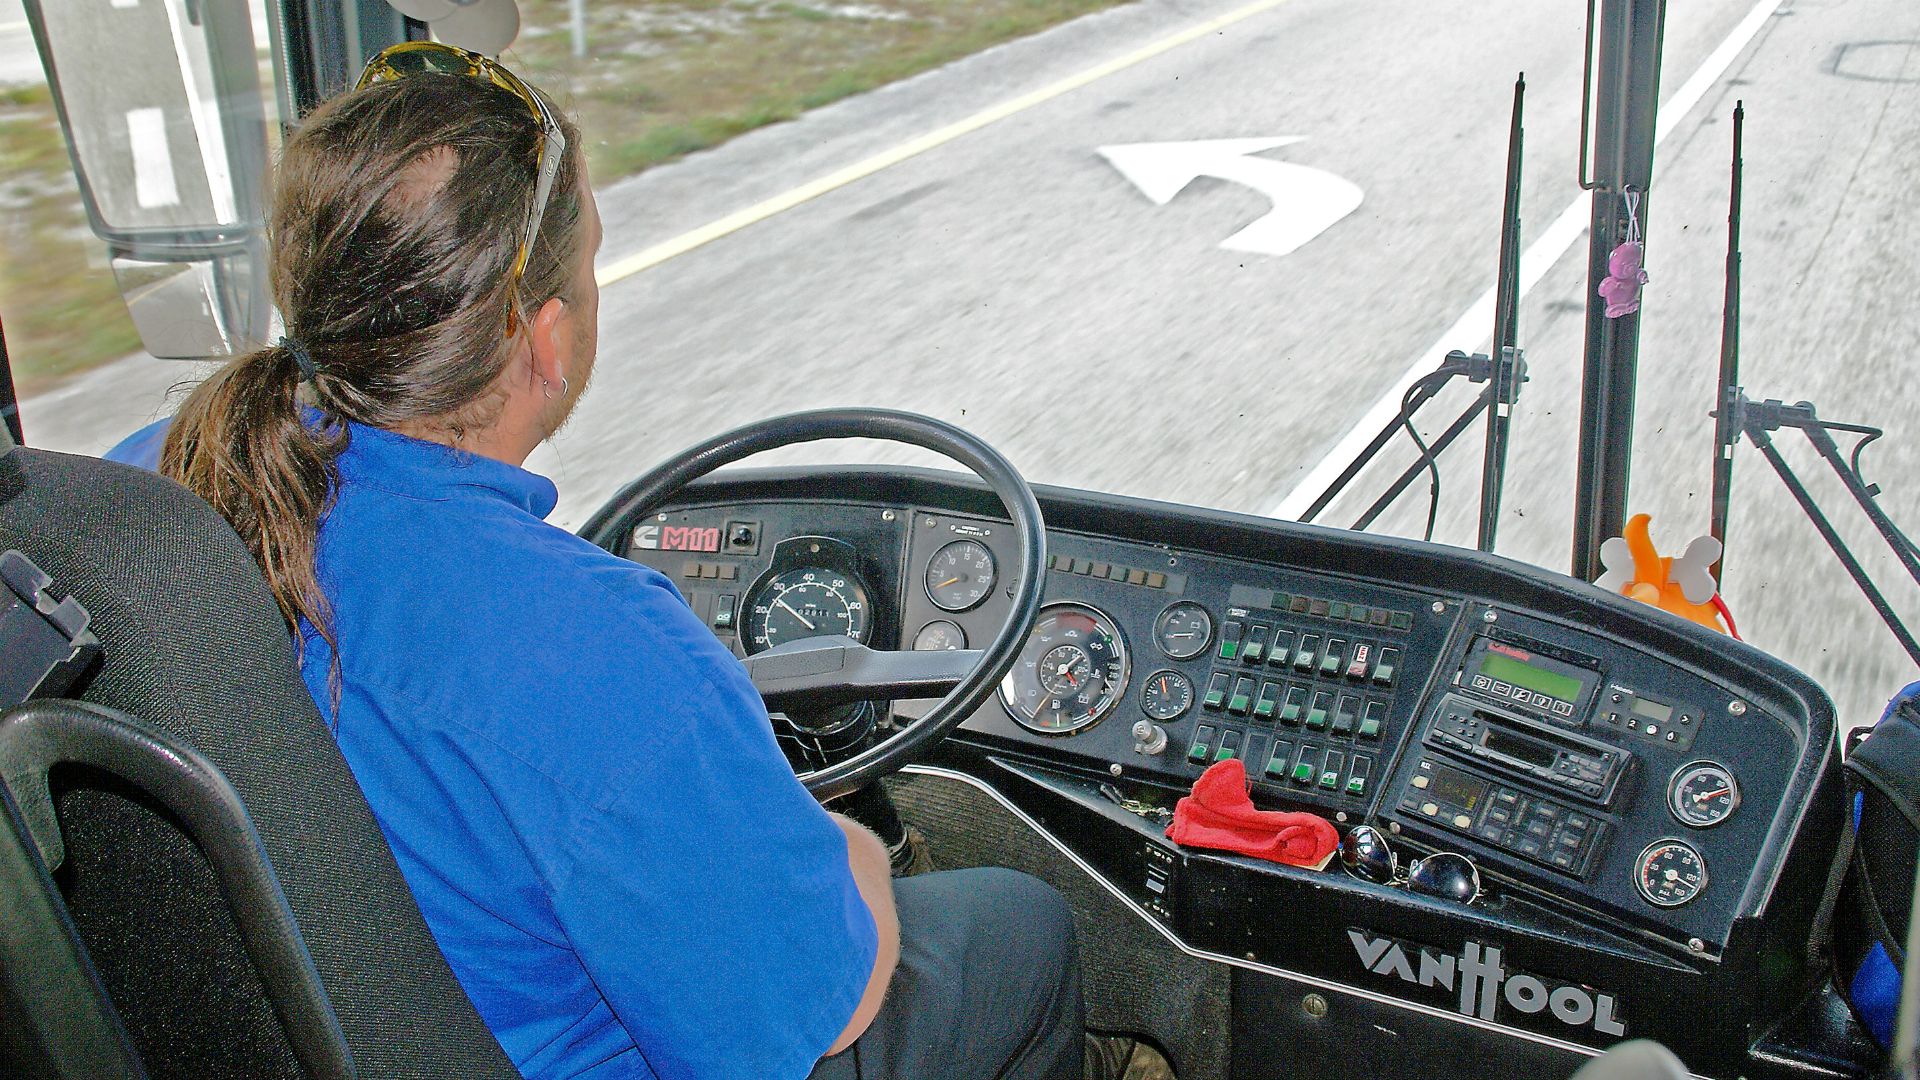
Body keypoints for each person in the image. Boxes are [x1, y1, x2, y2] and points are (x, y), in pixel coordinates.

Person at [106, 44, 1087, 1080]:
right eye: (591, 264)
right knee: (1018, 931)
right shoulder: (592, 648)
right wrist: (854, 857)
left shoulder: (148, 492)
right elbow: (817, 1017)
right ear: (547, 341)